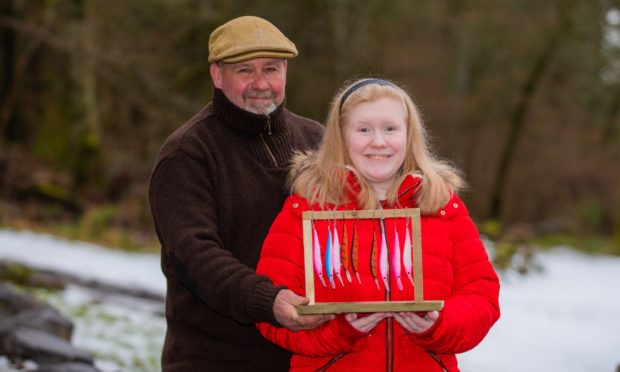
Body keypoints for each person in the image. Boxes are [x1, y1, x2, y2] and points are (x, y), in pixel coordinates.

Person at [256, 78, 500, 371]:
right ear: (341, 136)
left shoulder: (442, 206)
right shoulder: (307, 207)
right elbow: (271, 312)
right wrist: (339, 333)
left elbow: (482, 297)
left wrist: (439, 324)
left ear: (409, 135)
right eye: (363, 130)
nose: (378, 142)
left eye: (390, 128)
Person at [149, 16, 329, 371]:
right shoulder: (187, 154)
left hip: (309, 358)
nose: (261, 83)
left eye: (271, 69)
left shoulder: (318, 140)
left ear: (286, 72)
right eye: (245, 70)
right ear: (217, 75)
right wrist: (268, 300)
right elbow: (195, 256)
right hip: (214, 360)